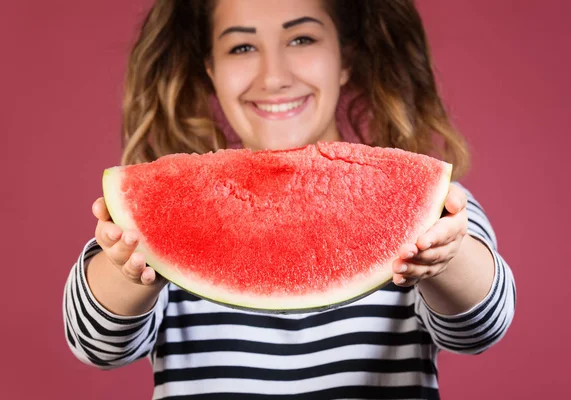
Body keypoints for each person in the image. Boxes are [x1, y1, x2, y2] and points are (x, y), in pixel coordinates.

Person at [62, 0, 516, 399]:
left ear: (344, 59)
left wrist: (447, 258)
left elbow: (481, 327)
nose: (274, 76)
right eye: (241, 47)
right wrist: (129, 268)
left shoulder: (436, 213)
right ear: (210, 69)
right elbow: (95, 345)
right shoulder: (158, 225)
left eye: (301, 38)